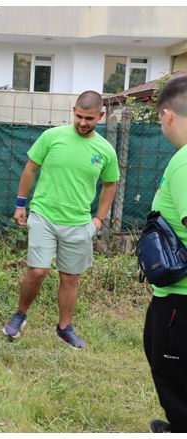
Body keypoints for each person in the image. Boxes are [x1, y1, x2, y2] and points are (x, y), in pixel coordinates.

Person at [2, 90, 120, 349]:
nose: (83, 122)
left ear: (101, 116)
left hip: (79, 222)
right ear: (73, 110)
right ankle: (20, 315)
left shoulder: (105, 150)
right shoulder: (51, 137)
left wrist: (99, 219)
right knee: (38, 270)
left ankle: (64, 328)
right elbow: (30, 168)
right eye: (79, 116)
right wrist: (20, 204)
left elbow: (110, 184)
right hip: (44, 215)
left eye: (89, 118)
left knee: (70, 278)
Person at [144, 75, 187, 434]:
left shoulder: (185, 162)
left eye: (160, 119)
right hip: (172, 295)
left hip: (181, 299)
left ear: (168, 115)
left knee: (173, 372)